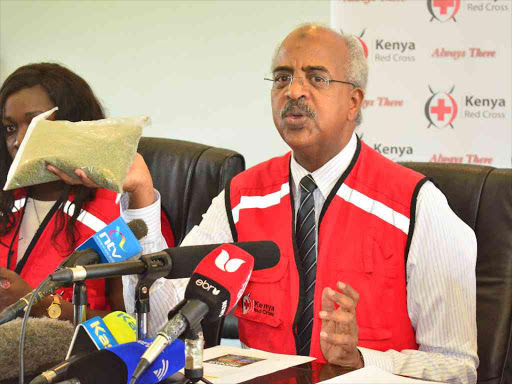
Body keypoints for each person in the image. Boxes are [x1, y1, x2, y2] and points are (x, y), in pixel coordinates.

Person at [122, 25, 477, 382]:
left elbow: (458, 368)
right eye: (281, 78)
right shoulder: (242, 197)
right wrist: (141, 199)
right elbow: (160, 325)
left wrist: (361, 361)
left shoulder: (416, 205)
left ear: (354, 102)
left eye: (317, 79)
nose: (293, 91)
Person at [0, 63, 175, 325]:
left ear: (74, 126)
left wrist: (38, 305)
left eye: (35, 124)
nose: (17, 140)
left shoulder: (121, 207)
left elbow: (138, 324)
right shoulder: (7, 201)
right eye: (11, 128)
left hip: (76, 360)